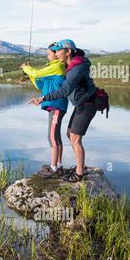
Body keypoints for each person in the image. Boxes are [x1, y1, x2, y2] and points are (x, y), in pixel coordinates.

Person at [29, 39, 97, 182]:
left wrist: (43, 98)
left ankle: (79, 173)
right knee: (69, 134)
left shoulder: (77, 68)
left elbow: (65, 90)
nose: (57, 53)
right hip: (81, 104)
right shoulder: (71, 65)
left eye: (59, 50)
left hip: (88, 103)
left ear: (68, 52)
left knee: (75, 138)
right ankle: (75, 167)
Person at [21, 43, 68, 177]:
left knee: (52, 136)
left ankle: (53, 168)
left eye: (49, 53)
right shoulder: (51, 68)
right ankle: (58, 165)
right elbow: (39, 83)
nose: (48, 56)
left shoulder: (57, 66)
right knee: (56, 135)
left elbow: (36, 72)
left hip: (57, 104)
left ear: (56, 54)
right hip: (54, 105)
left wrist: (27, 68)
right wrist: (29, 73)